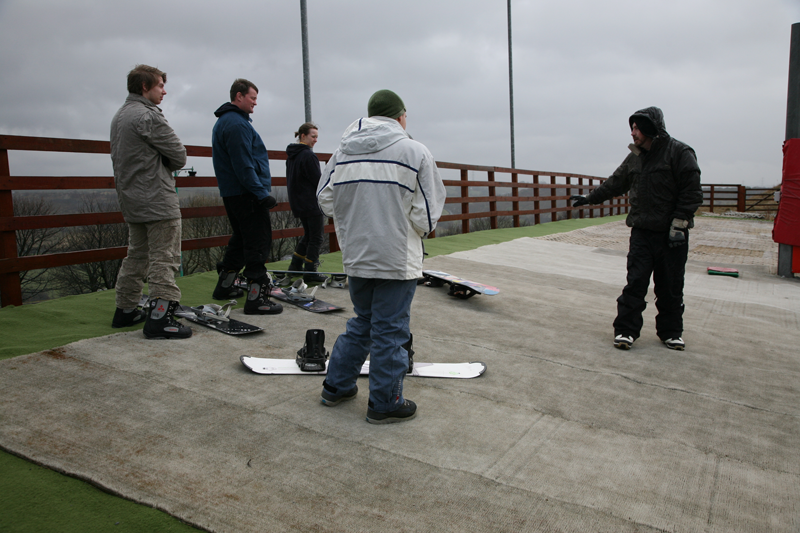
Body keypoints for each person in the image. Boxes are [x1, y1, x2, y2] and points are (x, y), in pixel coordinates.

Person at [316, 89, 446, 424]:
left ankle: (336, 386)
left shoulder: (343, 151)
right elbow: (428, 214)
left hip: (357, 254)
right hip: (396, 257)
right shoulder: (415, 151)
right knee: (390, 329)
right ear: (400, 116)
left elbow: (325, 199)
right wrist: (408, 229)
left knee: (363, 321)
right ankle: (385, 402)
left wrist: (354, 219)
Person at [571, 106, 702, 351]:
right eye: (631, 128)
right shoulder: (635, 157)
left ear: (651, 128)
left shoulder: (680, 153)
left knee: (670, 286)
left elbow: (692, 192)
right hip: (642, 232)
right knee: (635, 284)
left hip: (672, 235)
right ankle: (625, 330)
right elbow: (615, 182)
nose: (633, 133)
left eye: (637, 128)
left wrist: (679, 223)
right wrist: (590, 199)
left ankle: (671, 332)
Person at [110, 64, 192, 339]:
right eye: (160, 85)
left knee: (136, 255)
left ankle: (125, 309)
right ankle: (161, 318)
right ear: (145, 87)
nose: (164, 91)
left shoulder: (120, 116)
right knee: (164, 257)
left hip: (131, 199)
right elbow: (179, 155)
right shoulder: (148, 117)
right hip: (157, 198)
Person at [211, 78, 282, 315]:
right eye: (252, 98)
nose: (255, 103)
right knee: (257, 244)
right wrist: (261, 193)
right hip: (248, 194)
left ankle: (225, 286)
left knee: (240, 241)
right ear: (239, 96)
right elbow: (244, 164)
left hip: (233, 194)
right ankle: (257, 299)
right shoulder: (237, 125)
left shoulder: (225, 121)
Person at [282, 122, 327, 283]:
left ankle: (295, 266)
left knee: (309, 235)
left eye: (316, 137)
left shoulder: (292, 155)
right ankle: (310, 271)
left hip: (298, 202)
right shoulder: (308, 155)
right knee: (316, 237)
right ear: (303, 136)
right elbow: (318, 181)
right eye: (313, 136)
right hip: (310, 203)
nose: (315, 140)